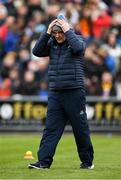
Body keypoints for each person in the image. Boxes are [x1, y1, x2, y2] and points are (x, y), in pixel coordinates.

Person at [28, 15, 94, 170]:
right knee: (50, 128)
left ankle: (87, 162)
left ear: (67, 29)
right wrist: (47, 32)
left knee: (80, 128)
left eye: (60, 32)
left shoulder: (76, 40)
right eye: (55, 32)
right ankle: (43, 162)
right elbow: (36, 51)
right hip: (56, 93)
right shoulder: (51, 42)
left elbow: (79, 49)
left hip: (74, 92)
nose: (57, 35)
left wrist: (68, 30)